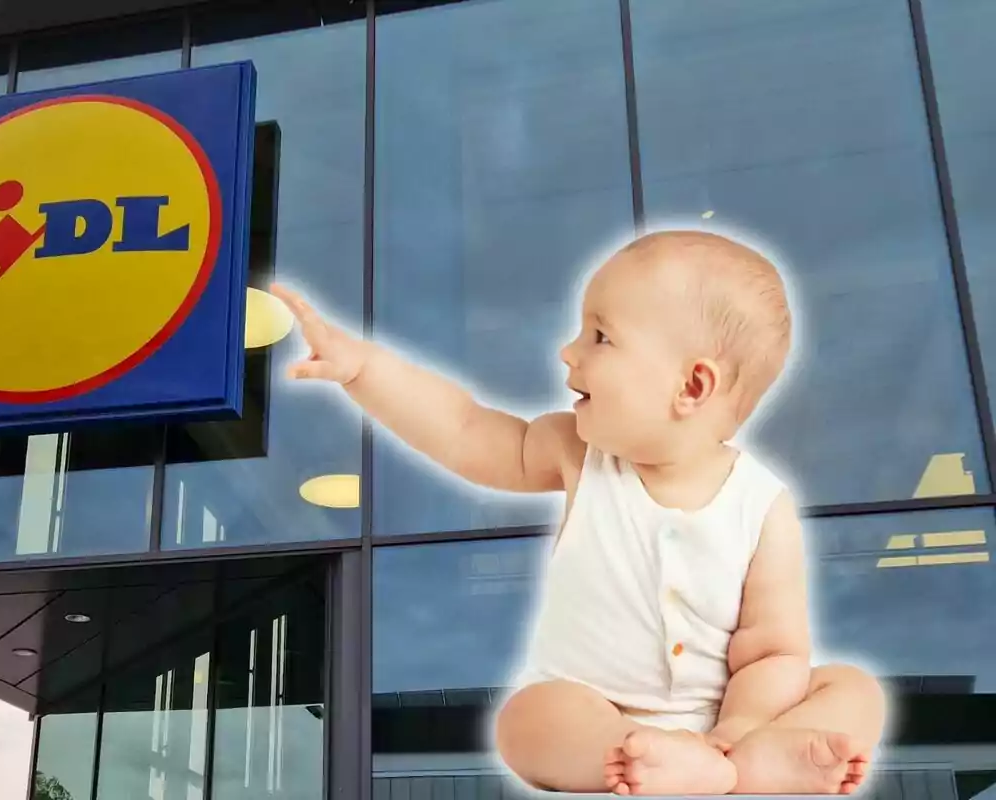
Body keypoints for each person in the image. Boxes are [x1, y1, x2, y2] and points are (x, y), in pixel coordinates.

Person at [271, 229, 887, 796]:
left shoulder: (761, 505)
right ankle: (645, 762)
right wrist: (365, 371)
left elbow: (772, 653)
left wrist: (737, 731)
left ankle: (742, 766)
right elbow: (464, 428)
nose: (568, 352)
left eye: (600, 336)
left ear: (692, 387)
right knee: (529, 718)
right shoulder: (578, 453)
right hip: (600, 716)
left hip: (728, 722)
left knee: (850, 688)